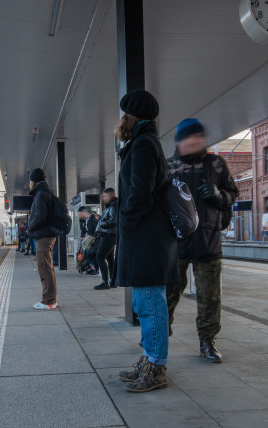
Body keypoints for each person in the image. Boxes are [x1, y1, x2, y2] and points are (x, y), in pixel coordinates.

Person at [114, 89, 180, 393]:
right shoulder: (142, 144)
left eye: (124, 114)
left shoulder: (143, 146)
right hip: (146, 236)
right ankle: (150, 357)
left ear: (132, 116)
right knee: (144, 301)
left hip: (147, 236)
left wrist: (125, 220)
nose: (120, 120)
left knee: (151, 303)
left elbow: (140, 193)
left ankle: (157, 366)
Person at [166, 118, 239, 363]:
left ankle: (207, 340)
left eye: (198, 137)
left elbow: (233, 193)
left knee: (210, 296)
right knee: (167, 292)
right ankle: (159, 335)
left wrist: (220, 196)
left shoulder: (216, 164)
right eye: (188, 137)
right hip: (175, 243)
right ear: (180, 141)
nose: (194, 141)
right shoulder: (168, 166)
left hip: (207, 240)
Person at [27, 167, 58, 310]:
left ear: (33, 181)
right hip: (48, 235)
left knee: (44, 268)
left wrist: (29, 227)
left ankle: (48, 301)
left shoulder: (40, 194)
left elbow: (40, 216)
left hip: (43, 236)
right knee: (48, 267)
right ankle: (50, 299)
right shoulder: (46, 192)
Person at [93, 188, 118, 290]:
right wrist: (101, 218)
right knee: (110, 259)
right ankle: (112, 281)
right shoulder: (112, 206)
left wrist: (100, 223)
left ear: (110, 195)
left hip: (109, 235)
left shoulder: (114, 205)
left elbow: (113, 220)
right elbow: (110, 219)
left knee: (100, 257)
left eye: (104, 196)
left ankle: (105, 283)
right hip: (109, 234)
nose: (103, 198)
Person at [78, 206, 100, 276]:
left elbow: (97, 229)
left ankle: (96, 269)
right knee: (87, 253)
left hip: (95, 239)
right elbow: (83, 229)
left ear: (85, 212)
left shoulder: (94, 218)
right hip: (88, 239)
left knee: (92, 253)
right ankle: (92, 268)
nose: (79, 215)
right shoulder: (83, 220)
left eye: (80, 213)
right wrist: (83, 236)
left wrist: (92, 237)